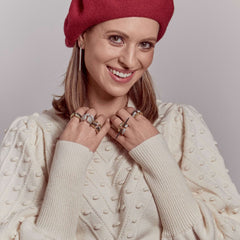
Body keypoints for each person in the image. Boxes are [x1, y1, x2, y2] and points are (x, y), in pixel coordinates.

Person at [0, 0, 240, 239]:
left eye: (145, 44)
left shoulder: (181, 125)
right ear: (82, 37)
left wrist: (156, 155)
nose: (130, 60)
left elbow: (228, 233)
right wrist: (69, 161)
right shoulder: (32, 136)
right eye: (116, 38)